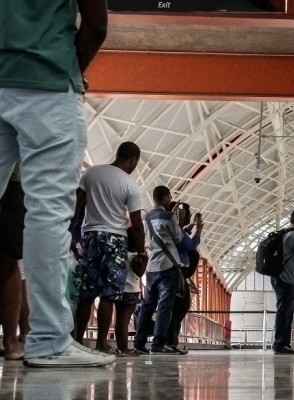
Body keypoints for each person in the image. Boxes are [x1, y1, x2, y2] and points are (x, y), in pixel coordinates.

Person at [0, 0, 113, 367]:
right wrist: (69, 70)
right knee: (46, 216)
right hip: (47, 82)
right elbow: (95, 24)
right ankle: (48, 339)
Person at [71, 142, 146, 355]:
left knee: (86, 293)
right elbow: (137, 224)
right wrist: (141, 251)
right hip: (115, 240)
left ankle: (77, 341)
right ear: (133, 159)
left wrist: (70, 232)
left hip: (90, 237)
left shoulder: (91, 173)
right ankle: (101, 343)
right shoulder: (130, 185)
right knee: (109, 294)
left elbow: (77, 205)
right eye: (135, 163)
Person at [133, 186, 182, 355]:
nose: (170, 200)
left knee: (147, 306)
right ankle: (158, 345)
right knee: (164, 306)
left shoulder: (145, 217)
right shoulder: (170, 216)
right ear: (165, 198)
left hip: (151, 267)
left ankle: (139, 343)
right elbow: (178, 238)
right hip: (168, 265)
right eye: (169, 197)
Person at [165, 201, 203, 354]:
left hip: (175, 271)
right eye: (186, 214)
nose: (186, 217)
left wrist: (191, 225)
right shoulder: (174, 229)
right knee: (179, 307)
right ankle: (169, 341)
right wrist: (198, 230)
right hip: (175, 272)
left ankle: (170, 340)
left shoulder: (171, 227)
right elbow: (189, 245)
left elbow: (181, 232)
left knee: (176, 307)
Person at [272, 209, 294, 355]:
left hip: (276, 276)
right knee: (285, 311)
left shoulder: (284, 234)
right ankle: (281, 344)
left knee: (283, 309)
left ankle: (282, 343)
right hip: (287, 278)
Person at [0, 168, 25, 360]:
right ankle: (10, 341)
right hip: (10, 182)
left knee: (8, 259)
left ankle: (10, 341)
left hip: (10, 181)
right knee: (8, 260)